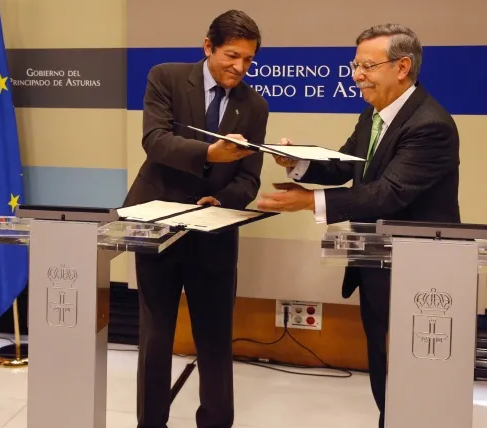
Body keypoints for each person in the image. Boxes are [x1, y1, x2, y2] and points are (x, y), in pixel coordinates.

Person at [256, 24, 460, 427]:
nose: (356, 75)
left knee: (410, 372)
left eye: (367, 66)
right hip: (376, 266)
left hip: (418, 276)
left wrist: (308, 202)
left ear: (403, 67)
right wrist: (296, 162)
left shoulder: (430, 125)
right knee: (382, 364)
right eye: (355, 65)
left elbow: (388, 193)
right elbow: (347, 165)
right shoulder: (374, 113)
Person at [122, 10, 269, 428]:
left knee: (215, 339)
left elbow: (249, 179)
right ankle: (151, 422)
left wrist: (221, 199)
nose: (238, 68)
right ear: (208, 47)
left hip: (214, 236)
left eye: (247, 60)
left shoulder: (254, 106)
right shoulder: (166, 77)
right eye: (231, 56)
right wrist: (208, 153)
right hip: (158, 227)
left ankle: (216, 421)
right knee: (155, 338)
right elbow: (155, 140)